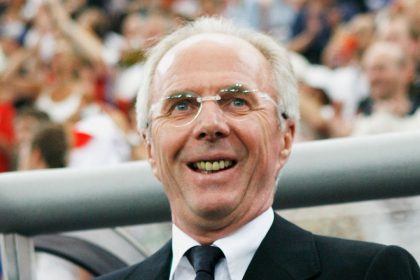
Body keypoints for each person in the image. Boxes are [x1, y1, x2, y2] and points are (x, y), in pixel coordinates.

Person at [96, 17, 420, 280]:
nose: (209, 124)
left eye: (237, 101)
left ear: (286, 137)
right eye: (181, 105)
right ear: (150, 148)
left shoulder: (372, 274)